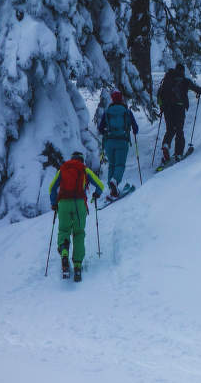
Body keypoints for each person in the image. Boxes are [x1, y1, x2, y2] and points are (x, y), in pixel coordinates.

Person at [49, 151, 104, 282]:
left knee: (64, 230)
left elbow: (52, 188)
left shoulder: (63, 169)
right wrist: (96, 194)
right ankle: (78, 266)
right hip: (79, 204)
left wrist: (54, 204)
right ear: (81, 160)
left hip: (63, 204)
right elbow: (100, 185)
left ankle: (64, 252)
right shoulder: (84, 169)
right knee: (78, 233)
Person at [156, 62, 201, 163]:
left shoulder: (167, 79)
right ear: (182, 71)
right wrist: (200, 90)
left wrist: (162, 107)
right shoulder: (184, 80)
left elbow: (159, 93)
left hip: (167, 108)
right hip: (179, 107)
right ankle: (178, 154)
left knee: (170, 129)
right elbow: (196, 89)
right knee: (179, 130)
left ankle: (166, 145)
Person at [97, 90, 139, 198]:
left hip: (109, 142)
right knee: (120, 165)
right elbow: (136, 128)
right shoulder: (127, 111)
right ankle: (115, 181)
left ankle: (112, 189)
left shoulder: (107, 112)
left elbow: (100, 129)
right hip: (122, 141)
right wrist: (132, 130)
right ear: (121, 99)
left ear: (112, 99)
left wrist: (107, 131)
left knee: (112, 164)